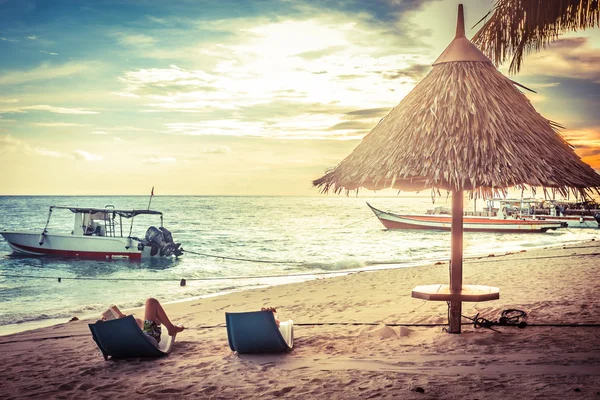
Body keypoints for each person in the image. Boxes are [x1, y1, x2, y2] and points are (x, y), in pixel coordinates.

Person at [104, 298, 185, 346]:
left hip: (127, 342)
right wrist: (123, 320)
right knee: (151, 301)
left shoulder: (112, 345)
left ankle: (171, 327)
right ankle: (171, 328)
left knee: (137, 321)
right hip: (147, 339)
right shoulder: (147, 335)